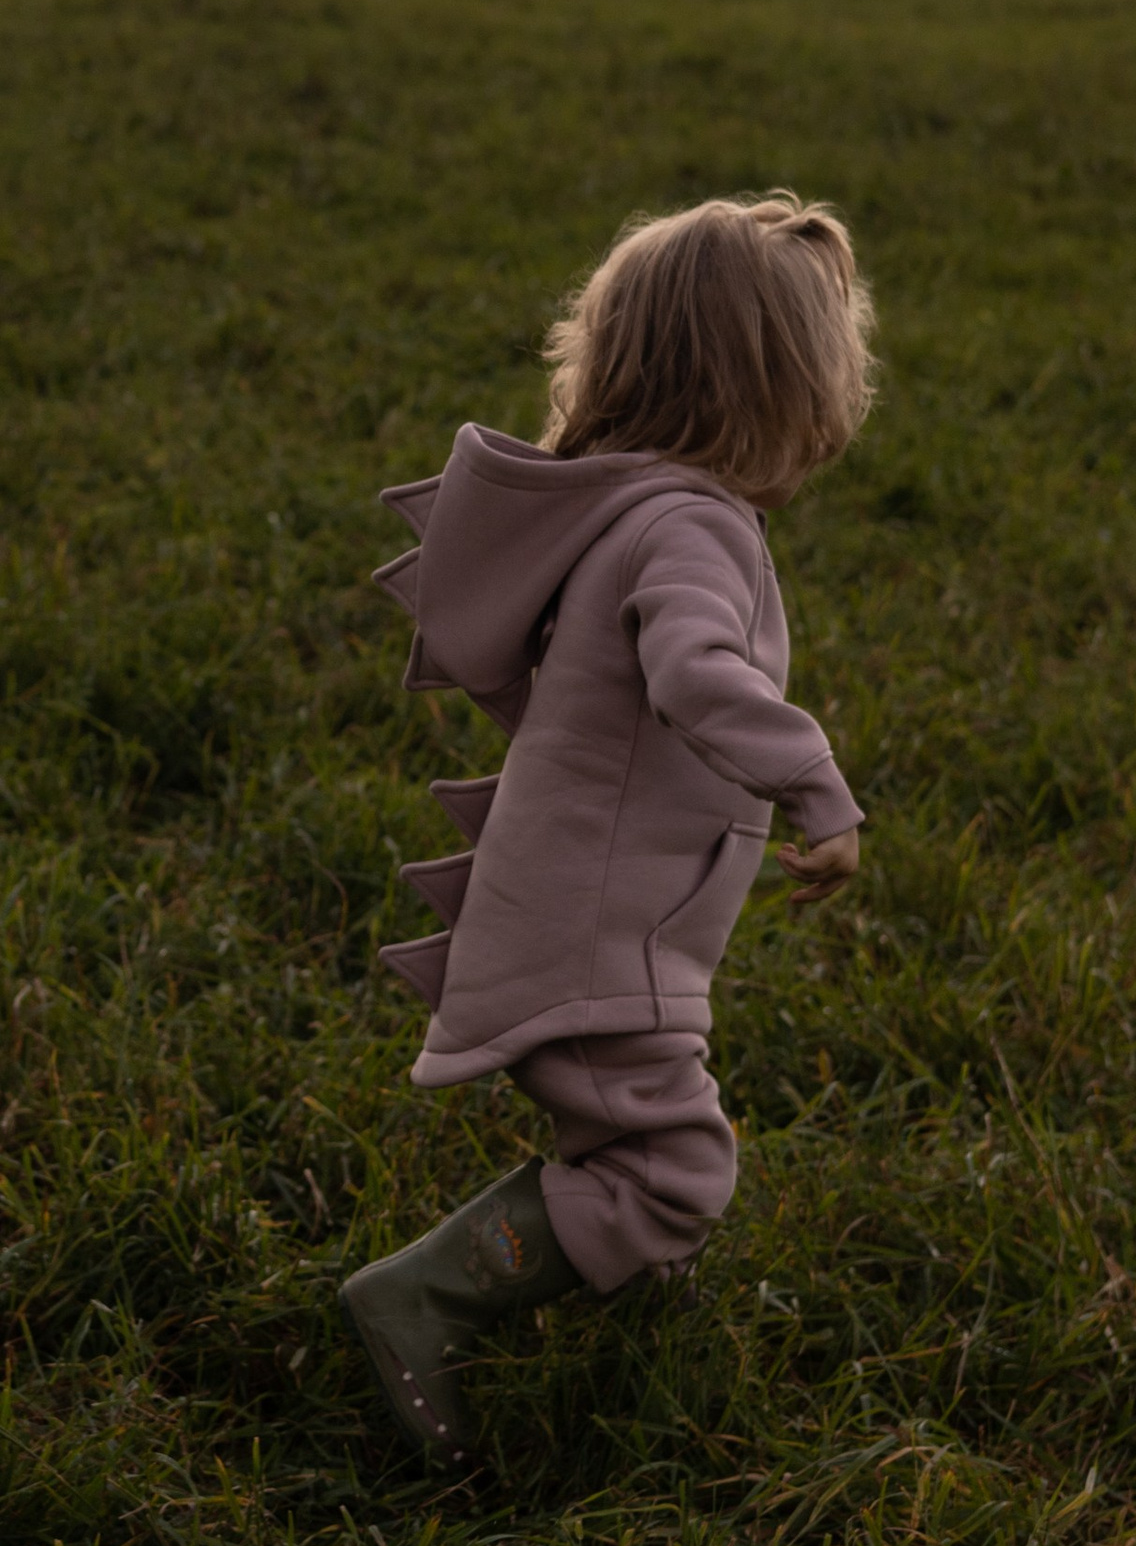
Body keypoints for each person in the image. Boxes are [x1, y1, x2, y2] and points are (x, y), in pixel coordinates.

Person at [343, 192, 871, 1466]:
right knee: (676, 1168)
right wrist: (814, 780)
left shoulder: (635, 507)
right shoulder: (689, 524)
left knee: (642, 1148)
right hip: (596, 944)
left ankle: (627, 1317)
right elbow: (695, 675)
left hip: (591, 923)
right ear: (779, 391)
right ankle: (420, 1297)